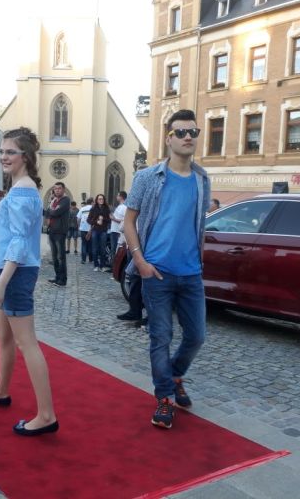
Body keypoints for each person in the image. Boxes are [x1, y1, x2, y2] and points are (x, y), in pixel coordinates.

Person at [123, 109, 210, 430]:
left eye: (193, 132)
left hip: (191, 273)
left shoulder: (202, 179)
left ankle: (174, 376)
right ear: (169, 138)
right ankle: (164, 397)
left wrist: (199, 262)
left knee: (197, 336)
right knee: (161, 337)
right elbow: (129, 222)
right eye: (181, 132)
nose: (188, 137)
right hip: (156, 272)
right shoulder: (148, 177)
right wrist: (140, 262)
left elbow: (198, 225)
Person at [0, 126, 58, 437]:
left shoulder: (23, 191)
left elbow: (20, 241)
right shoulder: (20, 188)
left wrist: (1, 283)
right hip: (12, 270)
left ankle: (47, 415)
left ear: (26, 156)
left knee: (26, 342)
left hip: (16, 272)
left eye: (11, 152)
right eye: (2, 151)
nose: (4, 156)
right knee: (3, 335)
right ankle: (1, 390)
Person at [45, 182, 70, 287]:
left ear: (63, 189)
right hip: (52, 230)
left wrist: (51, 210)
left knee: (61, 257)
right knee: (54, 257)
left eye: (59, 188)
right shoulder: (54, 201)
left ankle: (63, 280)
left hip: (60, 231)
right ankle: (57, 277)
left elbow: (55, 212)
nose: (57, 190)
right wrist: (51, 209)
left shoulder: (65, 200)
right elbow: (47, 213)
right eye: (55, 189)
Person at [87, 194, 111, 272]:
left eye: (102, 199)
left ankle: (102, 265)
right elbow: (88, 220)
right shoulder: (93, 208)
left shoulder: (107, 208)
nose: (101, 200)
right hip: (95, 230)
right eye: (99, 199)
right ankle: (96, 265)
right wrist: (96, 221)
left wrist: (103, 219)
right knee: (95, 248)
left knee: (103, 249)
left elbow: (109, 220)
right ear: (97, 200)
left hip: (103, 230)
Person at [110, 191, 127, 257]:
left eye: (117, 195)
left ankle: (114, 262)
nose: (116, 197)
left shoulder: (124, 207)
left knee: (115, 249)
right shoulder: (120, 206)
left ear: (121, 197)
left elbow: (125, 221)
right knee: (113, 249)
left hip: (118, 231)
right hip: (114, 230)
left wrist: (113, 219)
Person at [77, 198, 93, 264]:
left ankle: (83, 260)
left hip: (83, 229)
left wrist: (79, 226)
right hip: (91, 229)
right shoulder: (93, 208)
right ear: (92, 202)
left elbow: (78, 219)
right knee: (90, 244)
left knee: (84, 244)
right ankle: (91, 259)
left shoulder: (82, 209)